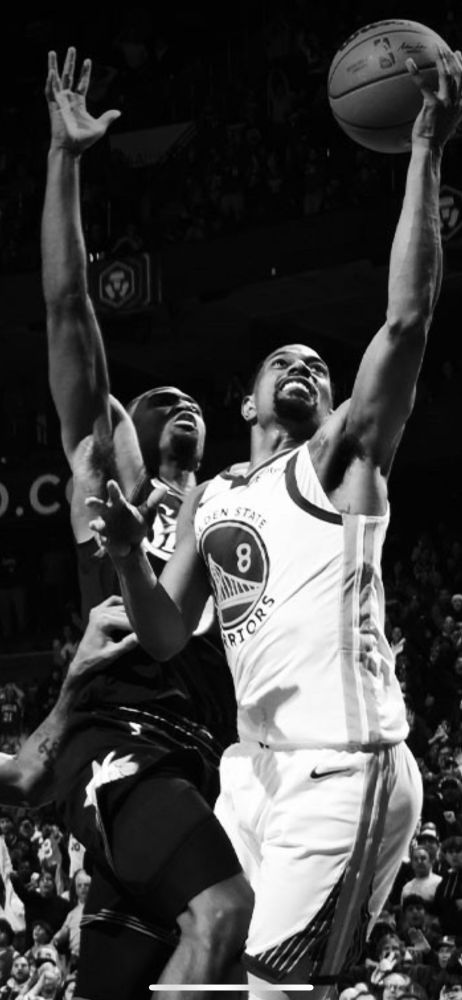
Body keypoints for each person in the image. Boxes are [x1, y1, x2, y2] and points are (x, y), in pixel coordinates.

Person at [89, 45, 462, 1000]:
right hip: (251, 771)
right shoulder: (216, 496)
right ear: (247, 401)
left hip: (343, 769)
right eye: (282, 364)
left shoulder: (339, 460)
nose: (303, 369)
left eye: (319, 369)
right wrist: (131, 556)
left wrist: (423, 151)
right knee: (202, 975)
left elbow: (407, 319)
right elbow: (167, 632)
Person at [41, 46, 250, 1000]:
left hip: (200, 764)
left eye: (193, 400)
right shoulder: (110, 483)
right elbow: (67, 307)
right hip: (120, 737)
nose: (179, 404)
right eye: (157, 399)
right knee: (222, 915)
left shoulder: (238, 508)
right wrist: (66, 160)